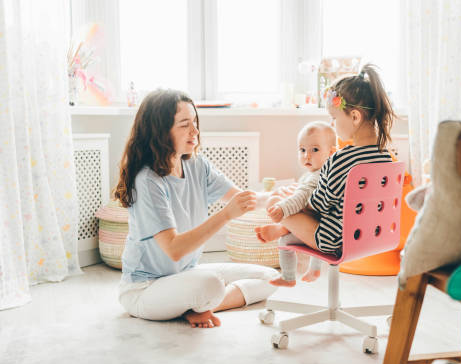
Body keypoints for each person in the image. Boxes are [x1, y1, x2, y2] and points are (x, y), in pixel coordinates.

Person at [114, 89, 277, 328]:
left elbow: (242, 199)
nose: (195, 131)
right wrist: (226, 215)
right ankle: (197, 302)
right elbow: (174, 249)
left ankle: (197, 307)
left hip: (184, 276)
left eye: (195, 122)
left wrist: (283, 197)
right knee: (210, 283)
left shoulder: (197, 166)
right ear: (160, 131)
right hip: (145, 289)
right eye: (184, 125)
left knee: (271, 277)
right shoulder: (147, 181)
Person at [255, 64, 395, 267]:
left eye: (334, 117)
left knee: (275, 201)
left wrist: (300, 196)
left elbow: (320, 205)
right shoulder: (386, 158)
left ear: (355, 117)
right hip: (374, 236)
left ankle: (283, 231)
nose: (332, 124)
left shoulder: (340, 160)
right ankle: (284, 231)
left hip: (334, 241)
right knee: (293, 203)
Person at [264, 121, 337, 287]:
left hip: (319, 231)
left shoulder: (317, 176)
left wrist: (283, 209)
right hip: (323, 227)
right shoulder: (326, 173)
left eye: (315, 150)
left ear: (331, 152)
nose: (307, 155)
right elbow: (304, 194)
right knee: (290, 230)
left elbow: (302, 197)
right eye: (302, 150)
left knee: (284, 242)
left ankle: (288, 277)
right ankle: (314, 269)